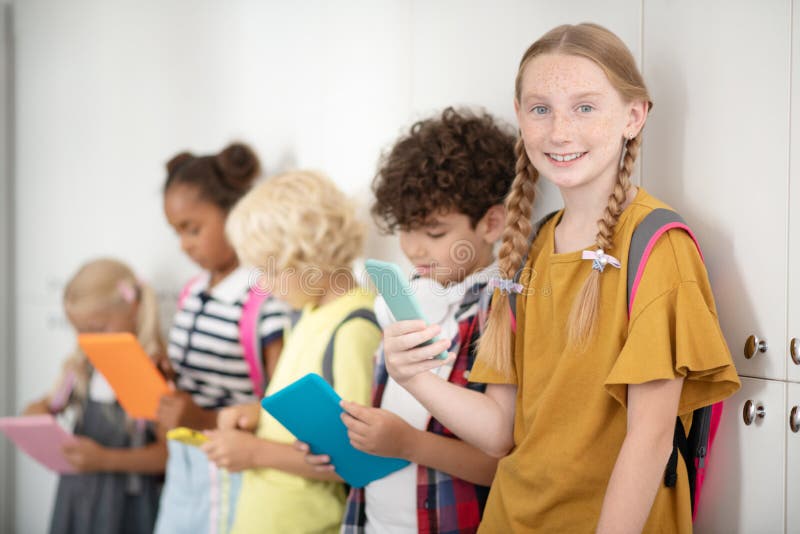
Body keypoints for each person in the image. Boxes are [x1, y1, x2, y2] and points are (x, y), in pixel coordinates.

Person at [380, 24, 741, 533]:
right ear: (520, 115)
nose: (559, 131)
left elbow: (650, 439)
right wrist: (412, 375)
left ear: (634, 116)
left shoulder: (658, 247)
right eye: (541, 109)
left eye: (585, 107)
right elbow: (499, 432)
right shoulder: (525, 253)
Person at [305, 107, 516, 533]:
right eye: (406, 229)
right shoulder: (402, 297)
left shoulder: (500, 308)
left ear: (492, 223)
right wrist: (351, 441)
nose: (415, 249)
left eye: (435, 233)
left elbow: (500, 463)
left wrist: (409, 444)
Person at [205, 170, 382, 533]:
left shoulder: (353, 329)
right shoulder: (307, 314)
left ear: (306, 258)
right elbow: (314, 419)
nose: (264, 285)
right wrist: (258, 415)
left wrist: (253, 452)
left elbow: (356, 458)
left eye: (269, 271)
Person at [154, 142, 289, 534]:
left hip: (236, 473)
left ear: (233, 215)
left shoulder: (264, 299)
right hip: (183, 468)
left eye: (192, 229)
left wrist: (204, 419)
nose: (184, 244)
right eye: (177, 232)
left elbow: (282, 410)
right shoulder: (191, 291)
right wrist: (166, 375)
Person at [23, 258, 167, 534]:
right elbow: (46, 404)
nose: (88, 339)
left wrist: (104, 459)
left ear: (133, 308)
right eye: (80, 331)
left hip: (126, 506)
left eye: (98, 329)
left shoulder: (154, 370)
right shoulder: (81, 367)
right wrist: (36, 416)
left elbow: (166, 455)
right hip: (77, 499)